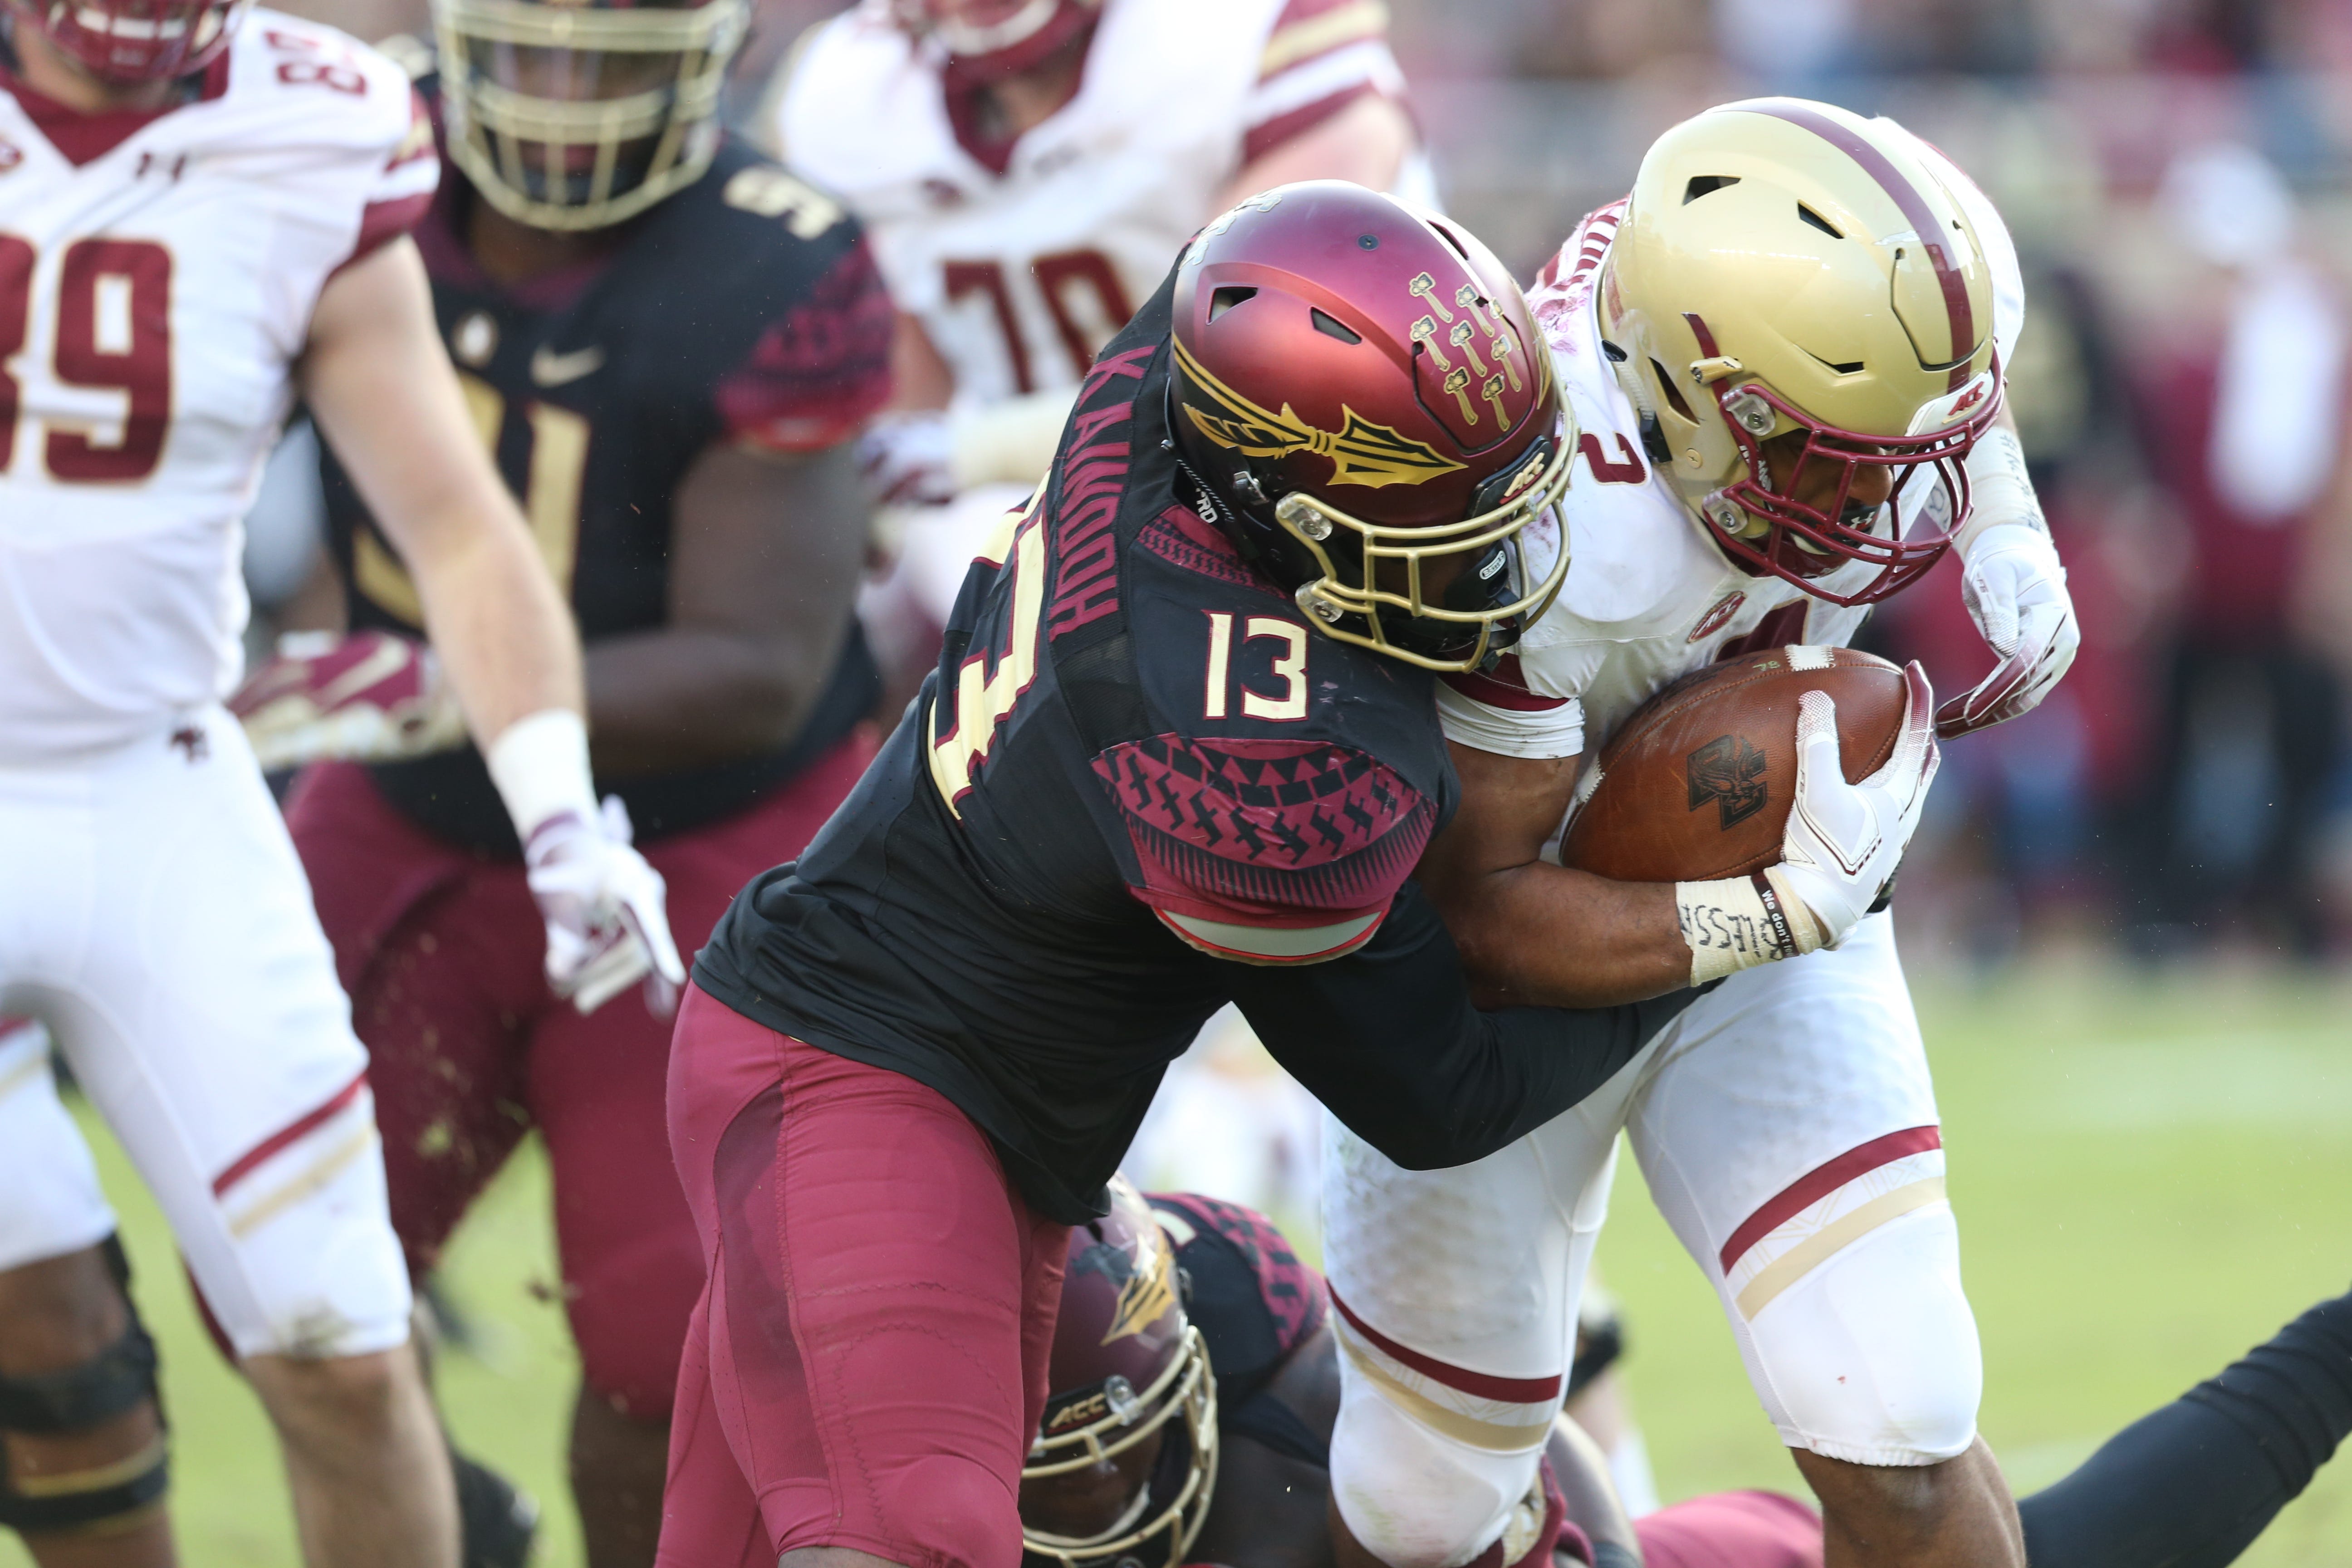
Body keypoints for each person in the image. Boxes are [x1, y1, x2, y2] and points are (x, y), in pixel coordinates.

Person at [657, 181, 1938, 1568]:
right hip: (863, 1077)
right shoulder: (1251, 763)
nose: (1510, 543)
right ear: (1292, 515)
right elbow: (1441, 1093)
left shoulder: (1200, 370)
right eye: (1447, 514)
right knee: (906, 1545)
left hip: (951, 1096)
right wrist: (1755, 918)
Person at [1318, 97, 2081, 1568]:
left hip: (1759, 912)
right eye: (1825, 462)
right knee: (1422, 1510)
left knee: (1899, 1409)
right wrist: (1773, 910)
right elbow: (1483, 910)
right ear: (1683, 395)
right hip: (1490, 991)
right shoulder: (1536, 514)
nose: (1882, 502)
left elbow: (1942, 398)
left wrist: (2004, 529)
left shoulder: (1768, 307)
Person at [0, 0, 678, 1558]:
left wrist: (560, 811)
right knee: (42, 1341)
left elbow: (451, 516)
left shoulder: (316, 121)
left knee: (346, 1352)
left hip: (144, 795)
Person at [224, 0, 896, 1558]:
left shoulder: (774, 256)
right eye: (526, 49)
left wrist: (433, 688)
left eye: (604, 57)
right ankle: (450, 1516)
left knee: (673, 1342)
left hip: (710, 831)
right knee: (258, 1252)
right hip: (407, 819)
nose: (559, 99)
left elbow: (757, 663)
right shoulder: (342, 150)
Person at [1022, 1183, 2352, 1568]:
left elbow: (1515, 1444)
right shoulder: (916, 1420)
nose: (1080, 1506)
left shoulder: (1283, 1398)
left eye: (1103, 1448)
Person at [765, 0, 1431, 695]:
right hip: (1050, 536)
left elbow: (1247, 371)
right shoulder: (853, 94)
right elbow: (903, 403)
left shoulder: (1242, 31)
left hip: (1323, 503)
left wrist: (969, 452)